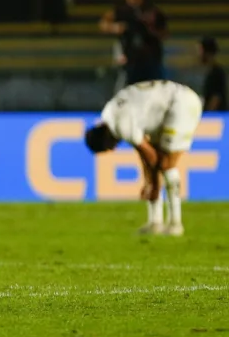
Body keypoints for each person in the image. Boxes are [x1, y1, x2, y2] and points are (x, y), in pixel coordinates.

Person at [84, 80, 203, 236]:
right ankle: (156, 222)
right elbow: (144, 154)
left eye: (108, 147)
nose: (113, 149)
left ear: (105, 138)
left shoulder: (121, 126)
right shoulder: (109, 115)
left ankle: (175, 224)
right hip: (163, 110)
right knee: (158, 165)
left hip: (180, 104)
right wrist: (149, 181)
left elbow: (151, 157)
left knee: (167, 164)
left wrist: (151, 184)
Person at [100, 0, 169, 86]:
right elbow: (103, 23)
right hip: (130, 60)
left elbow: (164, 33)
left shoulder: (153, 12)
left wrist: (151, 30)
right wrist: (115, 27)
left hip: (150, 59)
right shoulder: (123, 11)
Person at [198, 36, 227, 112]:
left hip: (216, 118)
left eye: (201, 51)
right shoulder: (210, 72)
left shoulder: (217, 73)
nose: (199, 54)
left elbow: (216, 98)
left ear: (207, 52)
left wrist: (208, 115)